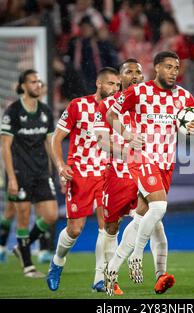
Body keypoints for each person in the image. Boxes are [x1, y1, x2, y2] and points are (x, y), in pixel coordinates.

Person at [105, 51, 194, 284]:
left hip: (165, 163)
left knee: (144, 216)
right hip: (141, 158)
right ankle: (136, 257)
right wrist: (127, 134)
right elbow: (111, 113)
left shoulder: (183, 96)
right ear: (156, 68)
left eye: (176, 67)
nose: (174, 71)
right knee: (160, 206)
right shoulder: (139, 92)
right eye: (169, 67)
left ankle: (114, 268)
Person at [94, 58, 175, 296]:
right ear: (120, 79)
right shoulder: (107, 106)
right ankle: (105, 274)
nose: (136, 76)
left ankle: (158, 275)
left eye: (139, 72)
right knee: (111, 227)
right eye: (129, 72)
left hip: (143, 168)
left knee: (154, 221)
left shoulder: (148, 100)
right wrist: (128, 146)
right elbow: (101, 141)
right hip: (119, 173)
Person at [46, 67, 121, 292]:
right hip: (80, 174)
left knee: (107, 226)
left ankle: (100, 278)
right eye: (110, 84)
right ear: (98, 84)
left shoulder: (118, 111)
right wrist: (61, 166)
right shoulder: (78, 105)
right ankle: (57, 263)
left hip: (106, 175)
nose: (114, 89)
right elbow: (56, 139)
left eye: (117, 85)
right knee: (75, 229)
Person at [0, 69, 58, 278]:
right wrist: (12, 178)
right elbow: (5, 146)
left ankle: (21, 247)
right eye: (33, 82)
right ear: (23, 86)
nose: (37, 85)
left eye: (39, 82)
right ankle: (28, 266)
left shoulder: (45, 111)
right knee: (23, 215)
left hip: (42, 171)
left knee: (51, 215)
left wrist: (59, 167)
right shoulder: (13, 111)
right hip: (20, 171)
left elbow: (50, 143)